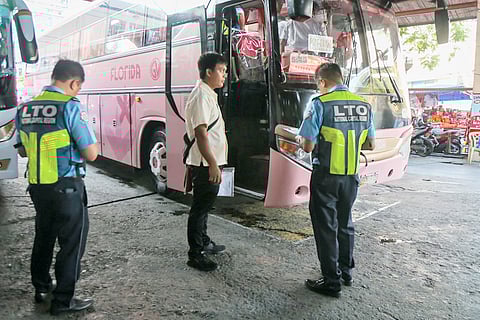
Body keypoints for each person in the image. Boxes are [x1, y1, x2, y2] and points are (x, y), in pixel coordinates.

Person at [15, 59, 98, 315]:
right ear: (74, 83)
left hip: (38, 187)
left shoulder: (25, 108)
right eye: (78, 87)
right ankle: (63, 301)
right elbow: (91, 153)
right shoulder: (70, 107)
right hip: (67, 187)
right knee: (72, 243)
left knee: (44, 236)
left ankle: (41, 288)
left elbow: (21, 150)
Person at [296, 63, 375, 297]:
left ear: (322, 82)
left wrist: (301, 141)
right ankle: (346, 271)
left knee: (326, 227)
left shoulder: (319, 104)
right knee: (345, 223)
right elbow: (370, 144)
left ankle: (331, 280)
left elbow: (308, 144)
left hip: (326, 177)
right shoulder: (364, 105)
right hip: (351, 177)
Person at [184, 52, 228, 272]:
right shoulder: (201, 95)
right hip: (204, 163)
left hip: (208, 161)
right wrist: (212, 163)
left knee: (205, 205)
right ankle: (196, 254)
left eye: (225, 71)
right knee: (200, 208)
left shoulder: (208, 93)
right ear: (208, 72)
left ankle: (204, 242)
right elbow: (201, 133)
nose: (224, 76)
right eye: (221, 70)